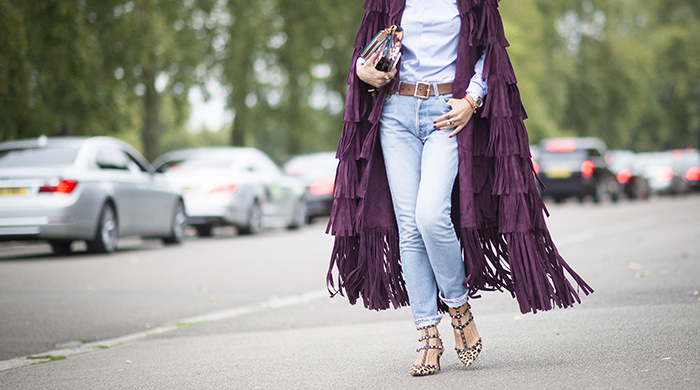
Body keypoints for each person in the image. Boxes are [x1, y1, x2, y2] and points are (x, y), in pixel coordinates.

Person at [326, 0, 593, 377]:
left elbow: (490, 52)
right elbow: (365, 49)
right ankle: (427, 333)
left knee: (431, 215)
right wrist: (362, 71)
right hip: (395, 113)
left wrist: (473, 98)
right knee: (409, 226)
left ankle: (459, 307)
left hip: (447, 111)